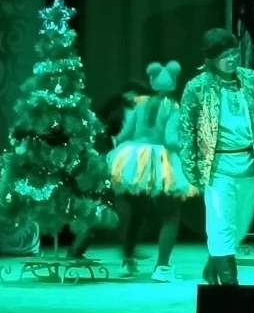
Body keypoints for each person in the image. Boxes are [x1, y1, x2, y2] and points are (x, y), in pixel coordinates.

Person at [179, 28, 254, 285]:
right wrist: (190, 167)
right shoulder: (197, 87)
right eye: (224, 55)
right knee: (220, 224)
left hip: (249, 164)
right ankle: (230, 285)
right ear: (211, 59)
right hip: (217, 167)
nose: (231, 59)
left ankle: (212, 266)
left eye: (234, 53)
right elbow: (186, 130)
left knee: (240, 225)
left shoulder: (251, 80)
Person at [107, 60, 198, 281]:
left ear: (152, 81)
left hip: (134, 159)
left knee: (138, 211)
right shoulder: (173, 107)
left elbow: (125, 134)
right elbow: (170, 140)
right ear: (174, 83)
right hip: (159, 161)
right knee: (170, 215)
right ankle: (162, 268)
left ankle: (127, 261)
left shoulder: (140, 104)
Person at [67, 79, 155, 260]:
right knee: (106, 207)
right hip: (113, 165)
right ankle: (77, 249)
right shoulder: (116, 110)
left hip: (130, 167)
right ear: (129, 94)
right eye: (139, 95)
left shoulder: (139, 112)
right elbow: (105, 134)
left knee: (139, 205)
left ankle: (128, 250)